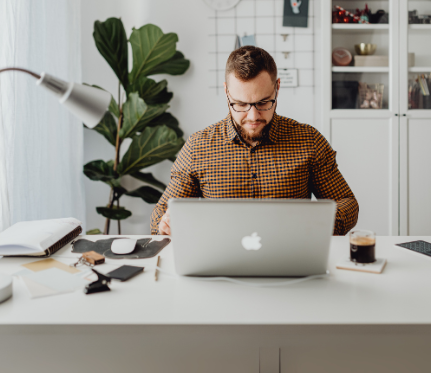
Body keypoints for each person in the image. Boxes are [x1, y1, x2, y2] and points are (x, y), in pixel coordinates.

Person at [149, 46, 358, 235]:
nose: (253, 116)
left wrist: (319, 224)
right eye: (240, 104)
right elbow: (161, 213)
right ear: (226, 91)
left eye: (263, 102)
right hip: (219, 265)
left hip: (291, 262)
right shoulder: (198, 147)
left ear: (277, 87)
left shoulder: (308, 140)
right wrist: (165, 223)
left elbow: (347, 203)